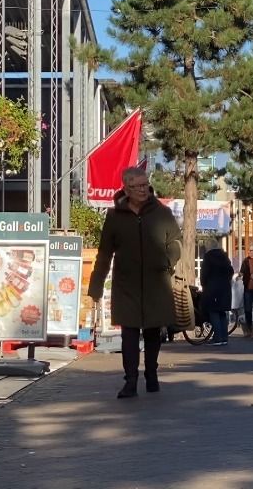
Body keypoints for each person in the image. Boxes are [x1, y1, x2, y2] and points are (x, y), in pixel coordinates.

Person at [88, 167, 181, 399]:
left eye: (145, 185)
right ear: (126, 188)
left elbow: (176, 242)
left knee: (152, 331)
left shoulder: (162, 213)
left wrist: (168, 262)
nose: (143, 190)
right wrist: (96, 286)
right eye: (138, 186)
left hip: (156, 281)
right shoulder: (114, 216)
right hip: (126, 284)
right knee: (129, 333)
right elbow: (104, 253)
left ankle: (152, 373)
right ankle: (130, 381)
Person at [200, 238, 234, 346]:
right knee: (222, 312)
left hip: (212, 289)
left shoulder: (208, 257)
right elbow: (231, 271)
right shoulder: (224, 256)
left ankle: (217, 338)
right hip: (225, 289)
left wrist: (204, 284)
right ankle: (224, 338)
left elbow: (204, 273)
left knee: (213, 312)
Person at [239, 246, 253, 337]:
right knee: (247, 309)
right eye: (249, 250)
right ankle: (248, 328)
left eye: (251, 250)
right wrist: (239, 275)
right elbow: (242, 271)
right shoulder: (245, 261)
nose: (249, 252)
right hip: (247, 288)